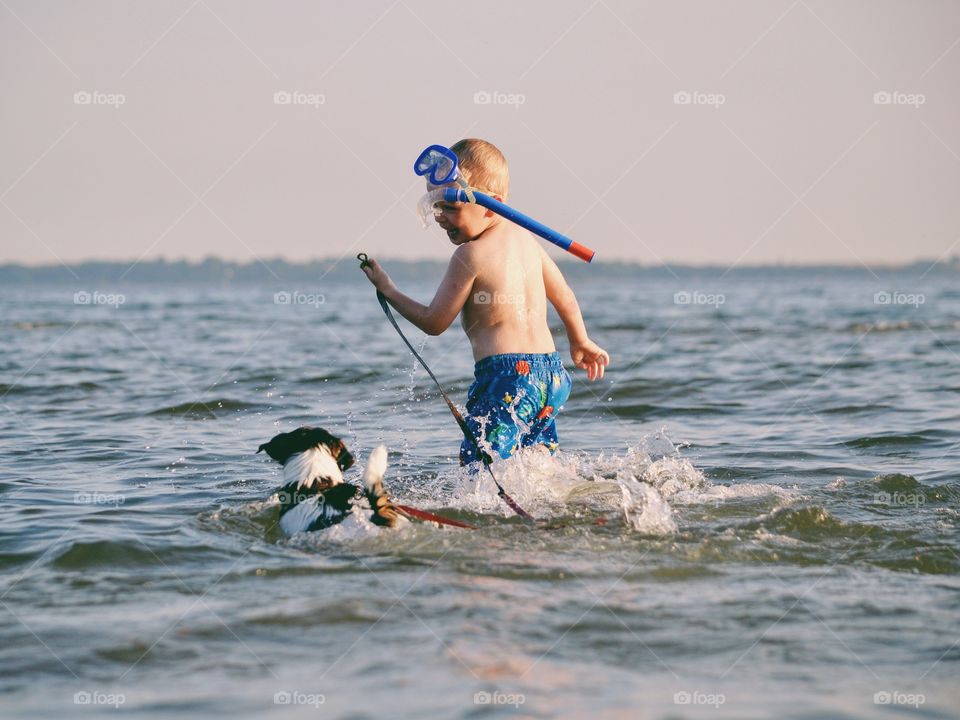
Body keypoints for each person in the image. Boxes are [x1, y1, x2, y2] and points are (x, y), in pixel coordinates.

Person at [361, 138, 609, 465]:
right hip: (552, 375)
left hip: (506, 376)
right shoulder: (527, 242)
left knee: (480, 464)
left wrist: (389, 289)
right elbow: (565, 296)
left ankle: (483, 515)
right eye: (436, 206)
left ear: (490, 205)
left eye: (450, 207)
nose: (440, 217)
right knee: (535, 466)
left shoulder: (470, 254)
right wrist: (580, 340)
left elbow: (434, 323)